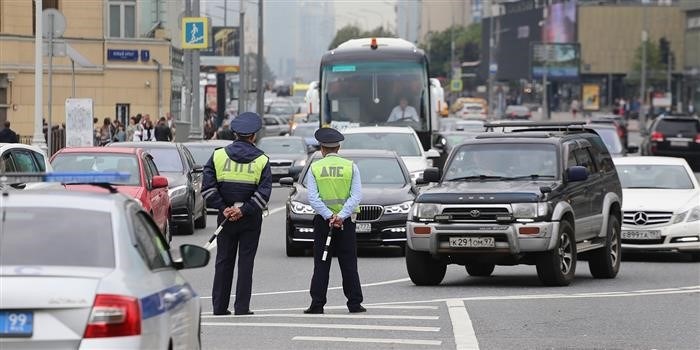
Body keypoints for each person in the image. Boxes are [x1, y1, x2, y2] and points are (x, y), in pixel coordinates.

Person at [202, 112, 272, 316]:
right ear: (254, 136)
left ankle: (219, 307)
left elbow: (207, 188)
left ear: (234, 134)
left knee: (223, 261)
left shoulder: (218, 156)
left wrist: (224, 208)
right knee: (245, 262)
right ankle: (242, 307)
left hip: (225, 218)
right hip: (249, 219)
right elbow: (264, 193)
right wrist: (243, 210)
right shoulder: (261, 160)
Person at [304, 128, 365, 314]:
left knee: (321, 263)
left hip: (324, 223)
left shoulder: (314, 168)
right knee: (349, 264)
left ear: (322, 149)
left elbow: (313, 198)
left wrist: (329, 216)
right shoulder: (351, 167)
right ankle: (354, 303)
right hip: (345, 223)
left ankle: (317, 304)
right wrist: (341, 216)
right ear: (338, 147)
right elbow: (356, 196)